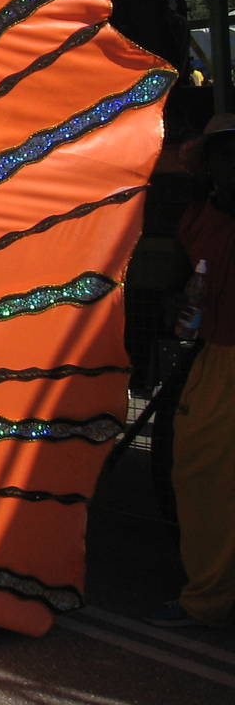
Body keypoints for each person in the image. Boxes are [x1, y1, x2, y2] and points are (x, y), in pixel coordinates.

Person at [149, 115, 235, 627]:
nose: (231, 165)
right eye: (223, 155)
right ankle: (209, 596)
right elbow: (183, 296)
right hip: (217, 359)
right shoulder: (199, 220)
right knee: (201, 479)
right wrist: (180, 307)